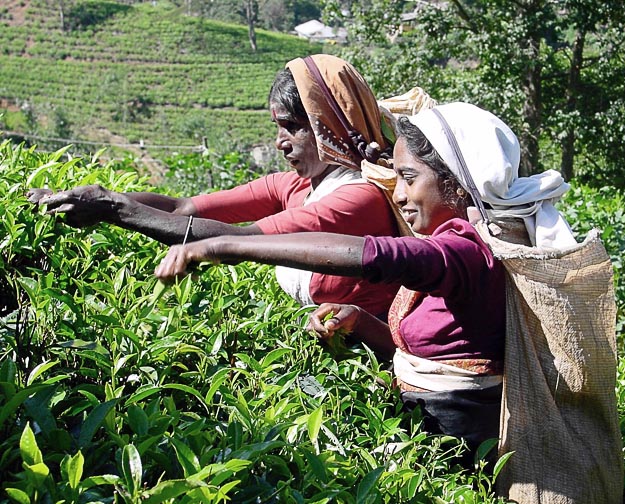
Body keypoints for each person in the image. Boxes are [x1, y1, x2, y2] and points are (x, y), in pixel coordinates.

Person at [153, 102, 575, 460]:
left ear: (456, 183)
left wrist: (223, 247)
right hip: (431, 433)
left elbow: (373, 255)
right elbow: (439, 355)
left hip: (457, 450)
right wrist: (360, 321)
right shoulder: (479, 238)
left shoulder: (467, 251)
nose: (400, 195)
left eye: (409, 179)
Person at [28, 54, 401, 318]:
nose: (280, 142)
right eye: (278, 127)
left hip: (372, 364)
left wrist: (113, 207)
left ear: (329, 124)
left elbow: (242, 240)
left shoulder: (359, 198)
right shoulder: (297, 186)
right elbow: (182, 208)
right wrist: (87, 197)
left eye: (292, 126)